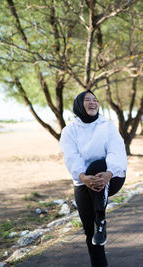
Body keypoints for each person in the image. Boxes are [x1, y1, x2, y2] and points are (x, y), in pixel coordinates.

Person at [59, 90, 127, 267]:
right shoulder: (69, 131)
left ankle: (100, 217)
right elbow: (72, 157)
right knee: (91, 232)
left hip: (112, 176)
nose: (92, 103)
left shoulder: (107, 126)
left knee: (97, 165)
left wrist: (109, 173)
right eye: (87, 100)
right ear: (78, 105)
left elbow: (116, 150)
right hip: (83, 180)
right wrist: (83, 177)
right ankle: (98, 230)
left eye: (95, 100)